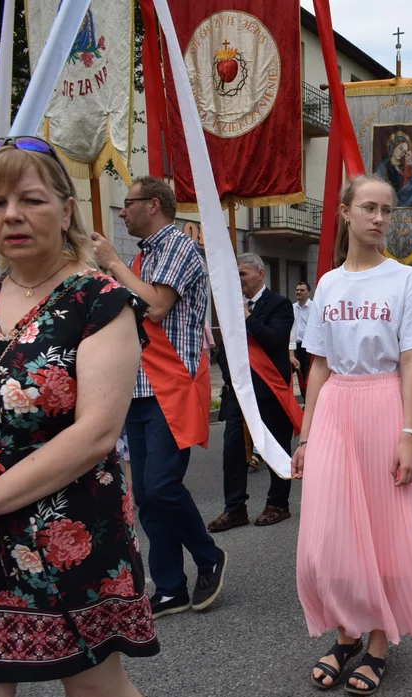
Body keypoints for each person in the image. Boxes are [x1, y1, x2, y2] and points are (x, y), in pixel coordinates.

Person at [0, 136, 156, 697]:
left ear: (66, 209)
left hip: (66, 529)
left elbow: (96, 433)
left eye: (30, 199)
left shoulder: (101, 301)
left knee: (96, 694)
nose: (11, 216)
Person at [294, 174, 412, 696]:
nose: (380, 218)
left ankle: (376, 641)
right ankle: (345, 631)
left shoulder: (405, 281)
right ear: (345, 212)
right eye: (369, 208)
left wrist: (409, 433)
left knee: (383, 530)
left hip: (384, 404)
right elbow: (317, 365)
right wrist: (307, 437)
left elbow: (411, 362)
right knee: (329, 536)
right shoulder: (329, 284)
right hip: (337, 404)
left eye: (387, 210)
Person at [92, 176, 226, 619]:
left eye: (127, 204)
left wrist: (113, 263)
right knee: (146, 496)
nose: (122, 212)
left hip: (172, 385)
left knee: (164, 486)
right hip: (138, 387)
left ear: (153, 205)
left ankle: (209, 556)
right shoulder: (144, 255)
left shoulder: (178, 247)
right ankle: (170, 586)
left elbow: (155, 306)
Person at [206, 254, 295, 533]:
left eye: (243, 275)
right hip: (238, 392)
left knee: (275, 447)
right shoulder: (231, 307)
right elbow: (227, 348)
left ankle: (278, 504)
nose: (239, 281)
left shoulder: (280, 305)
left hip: (269, 392)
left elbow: (275, 339)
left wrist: (247, 318)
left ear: (260, 273)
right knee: (232, 452)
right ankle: (235, 509)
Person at [289, 281, 313, 401]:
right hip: (294, 346)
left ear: (308, 293)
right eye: (297, 290)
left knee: (306, 374)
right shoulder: (291, 308)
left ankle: (308, 400)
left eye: (302, 290)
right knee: (296, 374)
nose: (298, 292)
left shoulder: (314, 308)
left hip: (308, 347)